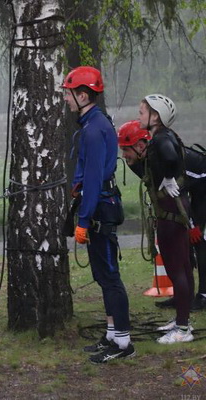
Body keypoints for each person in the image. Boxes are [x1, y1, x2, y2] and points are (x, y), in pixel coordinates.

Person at [63, 66, 134, 363]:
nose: (66, 100)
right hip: (101, 204)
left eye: (68, 94)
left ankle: (123, 343)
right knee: (102, 275)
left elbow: (93, 180)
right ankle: (110, 335)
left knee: (109, 276)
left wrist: (82, 221)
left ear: (82, 95)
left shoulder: (93, 130)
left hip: (100, 208)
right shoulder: (96, 123)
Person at [118, 120, 206, 312]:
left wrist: (193, 224)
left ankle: (203, 295)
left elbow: (181, 195)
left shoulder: (160, 160)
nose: (123, 155)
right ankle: (184, 294)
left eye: (126, 149)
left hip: (202, 186)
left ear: (141, 146)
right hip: (190, 189)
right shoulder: (139, 160)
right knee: (184, 242)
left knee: (199, 239)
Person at [134, 94, 194, 343]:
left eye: (142, 112)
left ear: (155, 116)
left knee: (176, 267)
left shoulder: (160, 138)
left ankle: (182, 328)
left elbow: (169, 158)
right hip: (175, 208)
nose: (139, 116)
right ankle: (183, 320)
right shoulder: (164, 136)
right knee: (181, 267)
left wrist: (168, 177)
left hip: (172, 210)